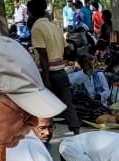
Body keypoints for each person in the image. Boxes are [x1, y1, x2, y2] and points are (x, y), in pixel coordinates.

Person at [28, 0, 81, 135]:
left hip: (47, 73)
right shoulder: (55, 26)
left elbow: (43, 56)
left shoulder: (37, 28)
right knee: (67, 103)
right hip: (61, 71)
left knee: (45, 106)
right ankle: (75, 130)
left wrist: (46, 79)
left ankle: (45, 133)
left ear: (31, 12)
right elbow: (67, 50)